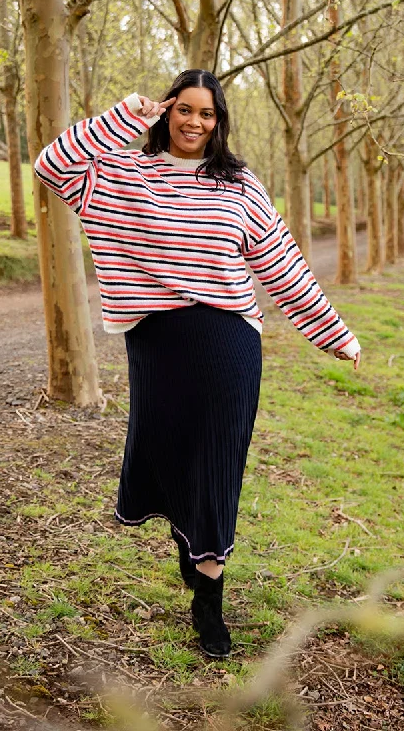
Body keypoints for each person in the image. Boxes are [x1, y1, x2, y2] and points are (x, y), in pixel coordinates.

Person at [34, 69, 360, 658]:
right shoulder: (122, 172)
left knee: (215, 464)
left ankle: (209, 598)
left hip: (227, 344)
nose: (194, 123)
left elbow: (280, 263)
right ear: (167, 112)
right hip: (156, 346)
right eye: (184, 110)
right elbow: (52, 165)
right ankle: (195, 546)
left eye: (207, 114)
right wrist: (123, 115)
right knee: (169, 458)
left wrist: (332, 333)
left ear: (219, 121)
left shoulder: (238, 184)